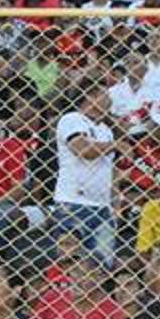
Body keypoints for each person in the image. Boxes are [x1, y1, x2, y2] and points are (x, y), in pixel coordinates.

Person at [52, 86, 116, 263]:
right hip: (73, 203)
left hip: (103, 206)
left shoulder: (106, 130)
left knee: (102, 265)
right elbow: (83, 149)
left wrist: (115, 202)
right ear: (90, 94)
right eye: (106, 94)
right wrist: (115, 146)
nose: (110, 100)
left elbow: (109, 169)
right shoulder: (72, 119)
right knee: (69, 262)